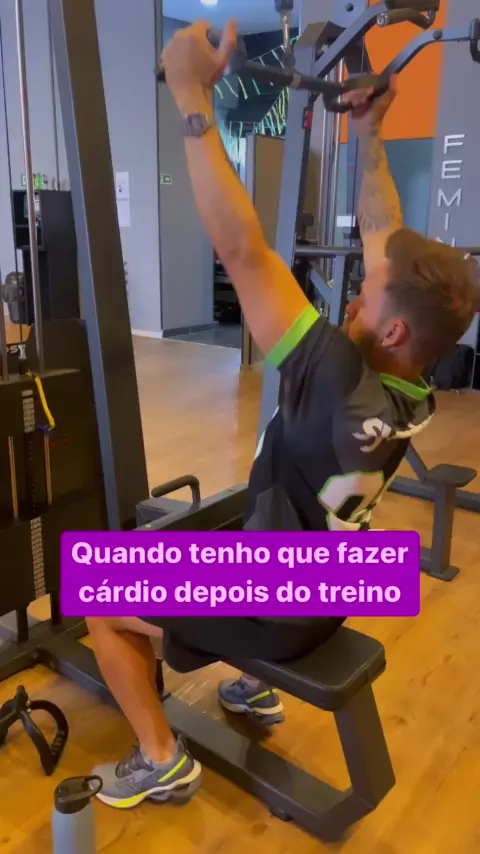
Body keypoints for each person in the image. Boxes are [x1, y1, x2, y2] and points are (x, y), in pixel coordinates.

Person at [87, 21, 479, 809]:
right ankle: (250, 681)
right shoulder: (410, 387)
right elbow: (383, 238)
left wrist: (190, 94)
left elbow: (243, 249)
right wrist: (369, 133)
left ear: (392, 331)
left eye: (366, 296)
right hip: (327, 586)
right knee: (225, 528)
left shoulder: (334, 378)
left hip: (277, 605)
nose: (355, 296)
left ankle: (161, 758)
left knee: (98, 596)